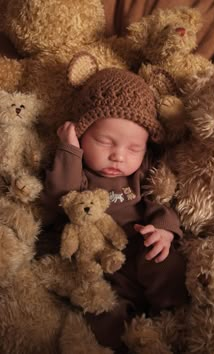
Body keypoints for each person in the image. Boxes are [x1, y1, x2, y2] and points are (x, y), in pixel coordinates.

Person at [41, 68, 188, 353]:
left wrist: (164, 232)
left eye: (135, 148)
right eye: (105, 142)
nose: (118, 155)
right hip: (97, 265)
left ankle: (176, 321)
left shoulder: (142, 172)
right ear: (82, 133)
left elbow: (160, 200)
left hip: (140, 247)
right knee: (99, 311)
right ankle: (131, 341)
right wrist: (69, 151)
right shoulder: (78, 173)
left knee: (169, 266)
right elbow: (57, 197)